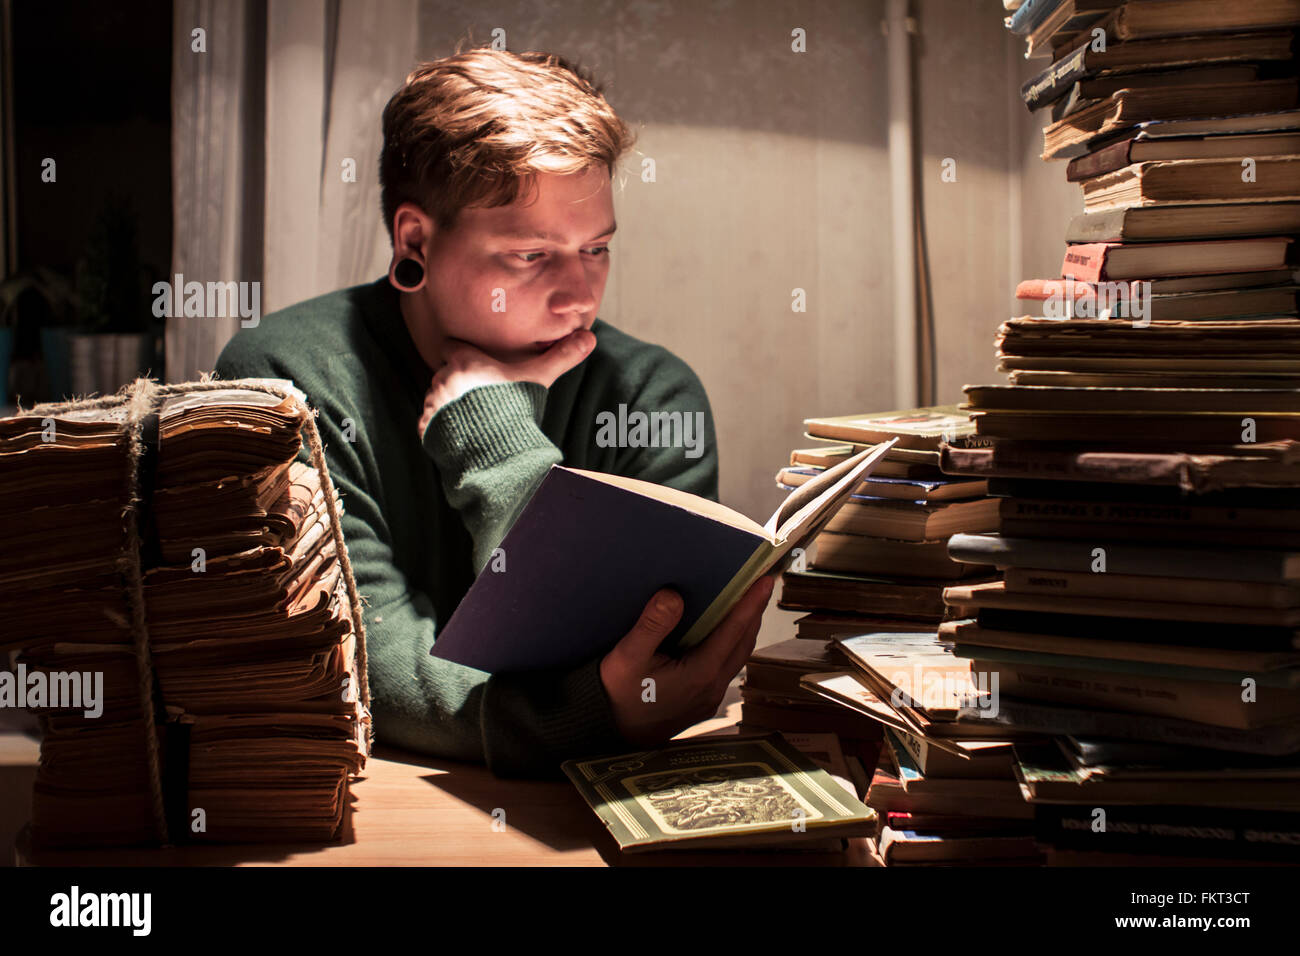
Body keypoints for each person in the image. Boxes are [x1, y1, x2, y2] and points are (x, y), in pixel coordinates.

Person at [215, 47, 776, 778]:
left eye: (596, 248)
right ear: (414, 240)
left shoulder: (651, 397)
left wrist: (494, 425)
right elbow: (355, 661)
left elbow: (646, 665)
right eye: (531, 255)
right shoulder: (283, 380)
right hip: (379, 803)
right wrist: (575, 716)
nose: (580, 295)